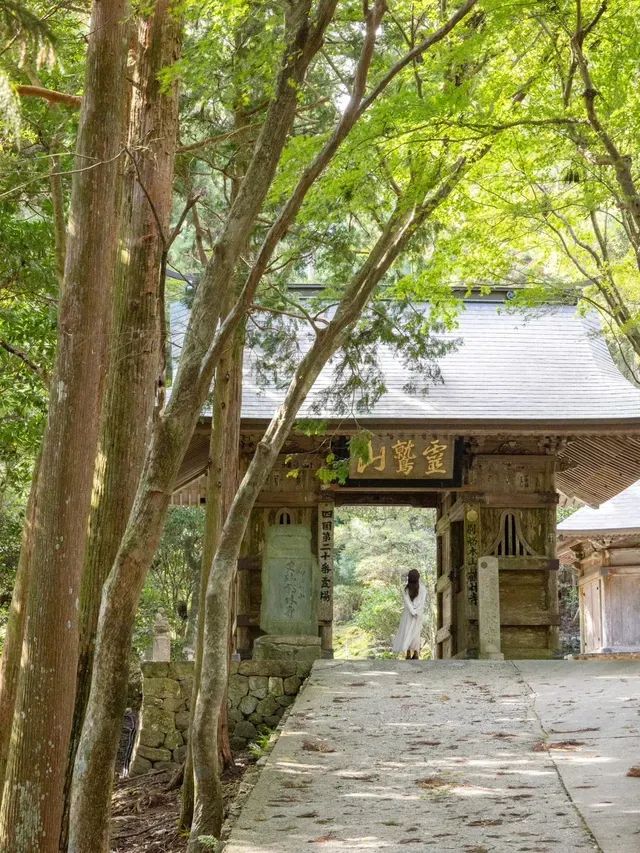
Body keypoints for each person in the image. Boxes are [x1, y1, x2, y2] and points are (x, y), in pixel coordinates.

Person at [392, 569, 427, 659]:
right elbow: (422, 602)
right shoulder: (423, 588)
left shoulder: (406, 589)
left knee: (407, 631)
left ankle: (408, 652)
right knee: (416, 633)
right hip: (418, 614)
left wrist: (412, 611)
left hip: (408, 614)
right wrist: (417, 611)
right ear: (418, 578)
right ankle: (416, 653)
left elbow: (407, 602)